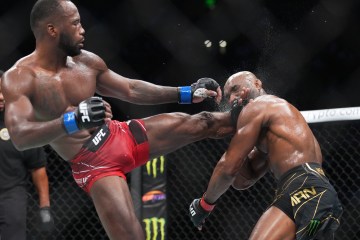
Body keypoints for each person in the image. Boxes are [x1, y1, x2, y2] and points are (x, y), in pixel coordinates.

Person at [1, 1, 235, 239]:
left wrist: (185, 92)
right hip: (95, 166)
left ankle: (258, 116)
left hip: (120, 134)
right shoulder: (20, 78)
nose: (82, 30)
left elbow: (131, 89)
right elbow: (20, 137)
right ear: (52, 30)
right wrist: (73, 120)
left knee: (204, 121)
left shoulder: (86, 62)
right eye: (75, 23)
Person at [189, 71, 343, 240]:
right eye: (228, 96)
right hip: (301, 191)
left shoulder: (262, 105)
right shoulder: (275, 130)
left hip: (307, 189)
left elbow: (227, 168)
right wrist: (239, 128)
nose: (232, 98)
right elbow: (241, 181)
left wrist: (205, 204)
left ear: (257, 84)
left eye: (236, 89)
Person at [0, 70, 54, 240]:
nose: (1, 97)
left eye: (4, 91)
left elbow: (37, 168)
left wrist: (45, 208)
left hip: (11, 195)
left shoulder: (20, 125)